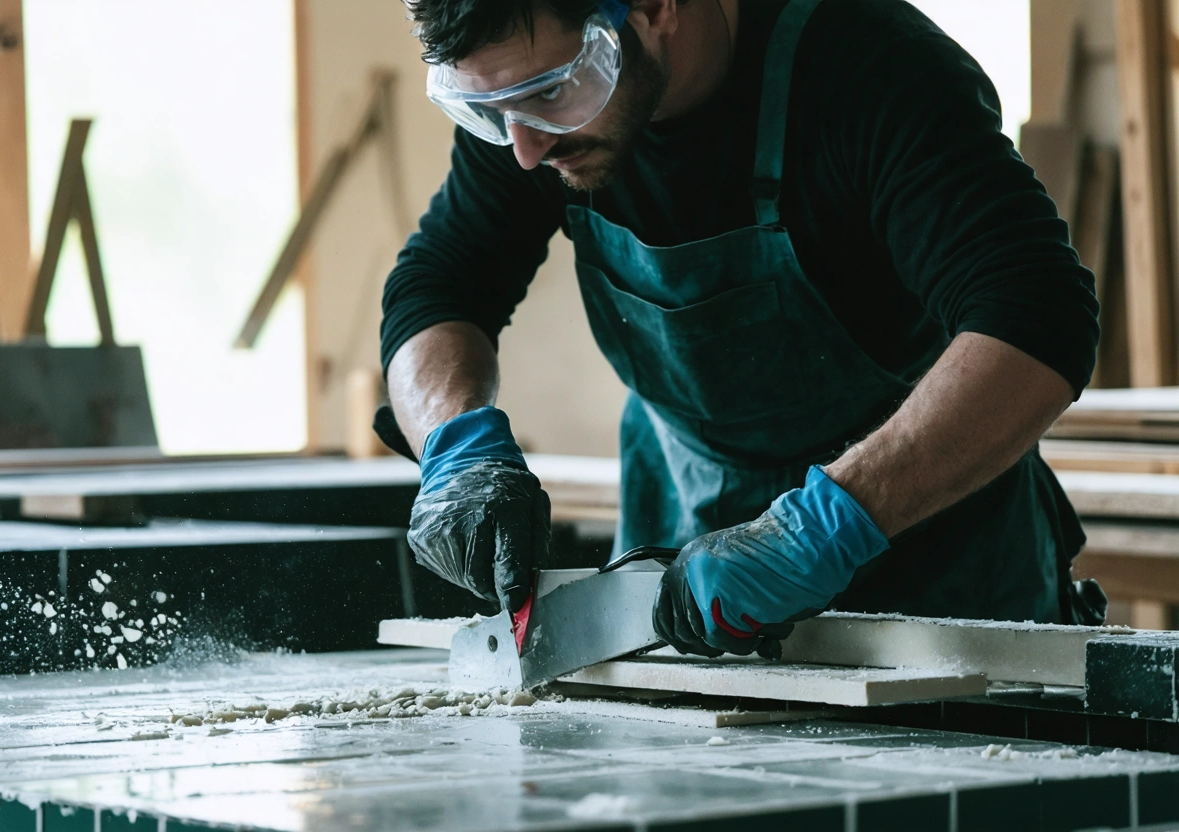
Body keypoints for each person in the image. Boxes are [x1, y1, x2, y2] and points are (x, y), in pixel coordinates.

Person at [376, 0, 1105, 659]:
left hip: (935, 570)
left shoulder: (871, 70)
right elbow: (439, 285)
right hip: (683, 567)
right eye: (488, 109)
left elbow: (1035, 313)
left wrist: (822, 529)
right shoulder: (531, 105)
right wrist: (455, 450)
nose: (525, 148)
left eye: (548, 94)